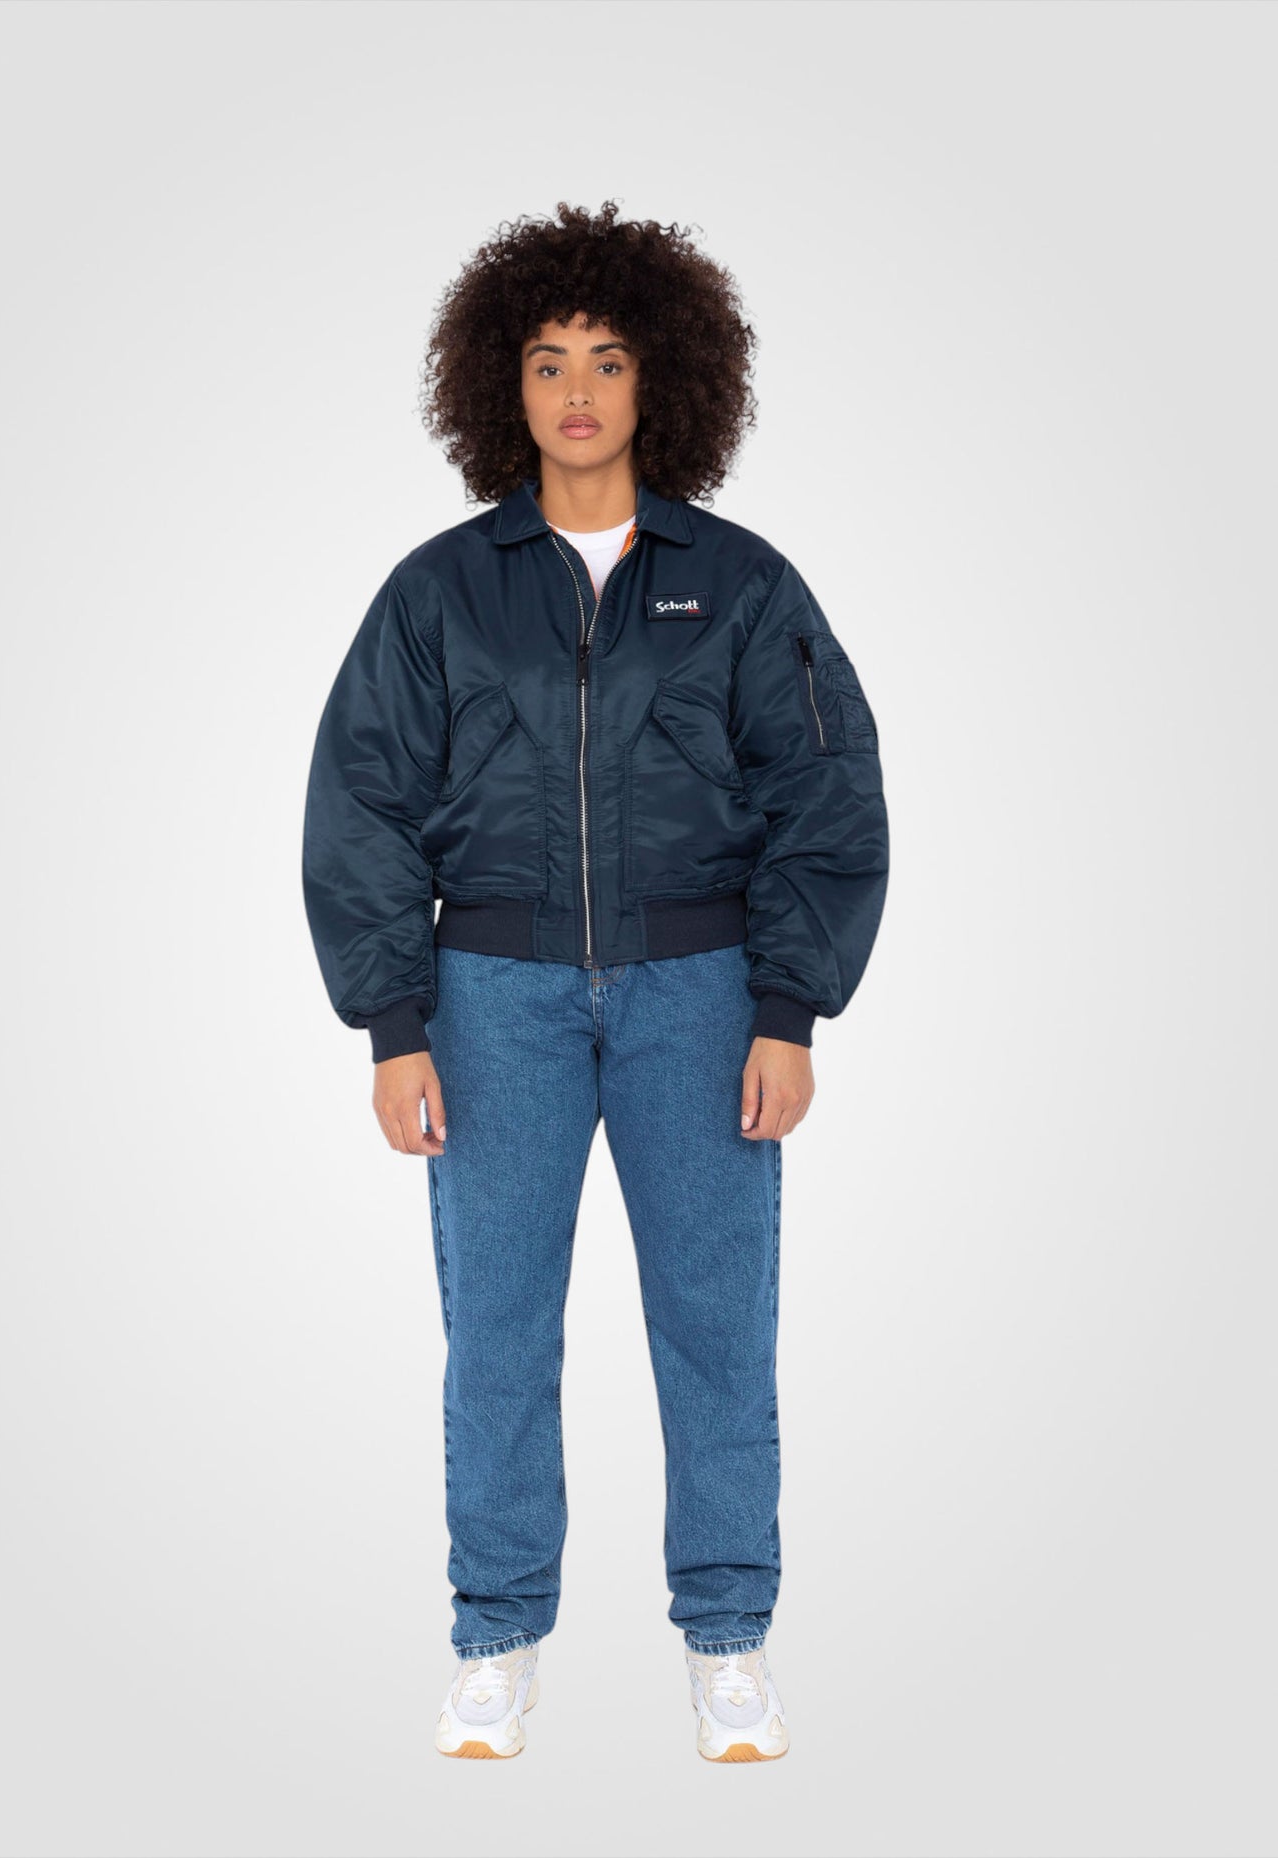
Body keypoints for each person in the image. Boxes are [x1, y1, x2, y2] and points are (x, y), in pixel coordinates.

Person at [301, 201, 889, 1762]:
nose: (577, 390)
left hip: (701, 994)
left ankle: (728, 1636)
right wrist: (393, 1024)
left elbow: (824, 796)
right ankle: (496, 1634)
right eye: (549, 360)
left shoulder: (741, 585)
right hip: (489, 997)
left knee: (715, 1324)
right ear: (501, 385)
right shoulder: (439, 591)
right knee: (496, 1330)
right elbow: (361, 804)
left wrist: (786, 1009)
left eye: (609, 359)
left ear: (660, 380)